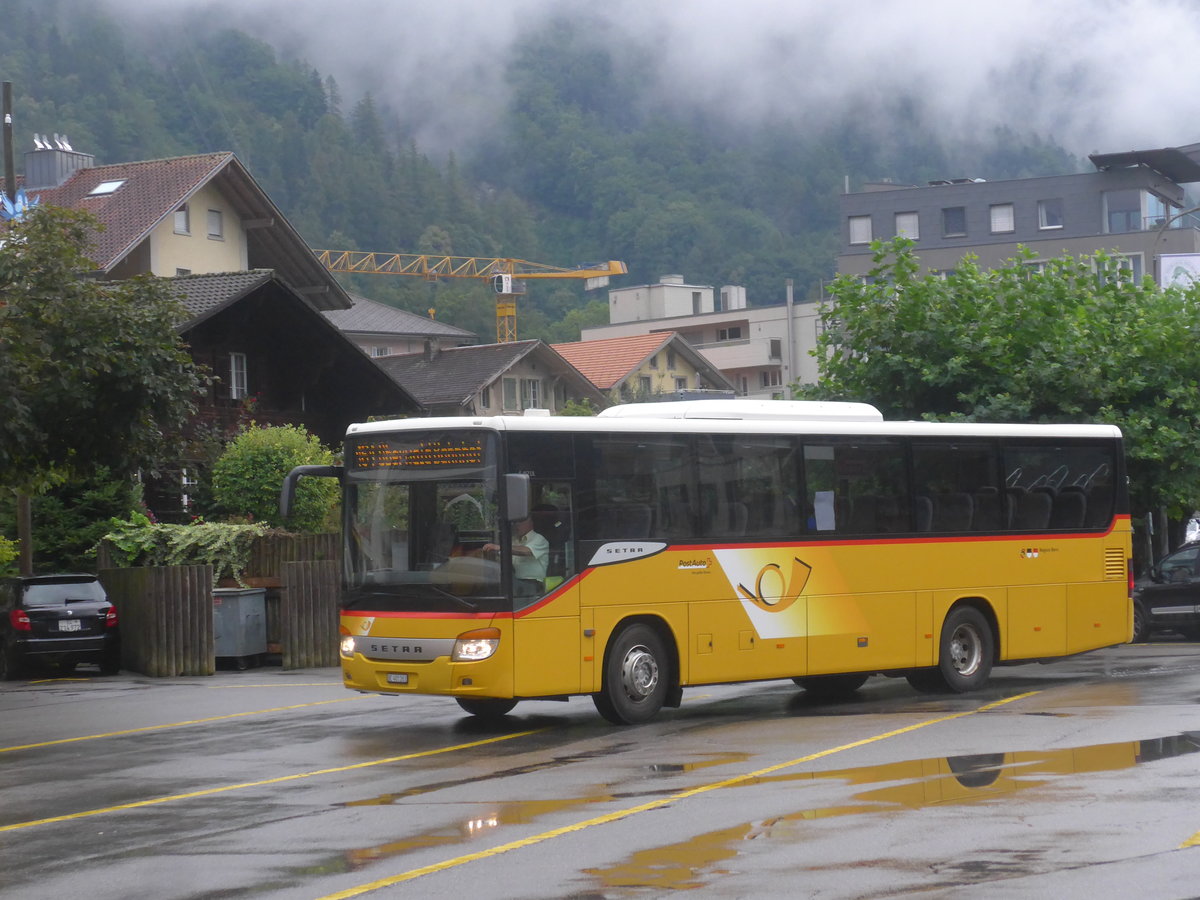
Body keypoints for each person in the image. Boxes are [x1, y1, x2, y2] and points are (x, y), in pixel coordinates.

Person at [483, 517, 549, 597]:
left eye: (521, 521)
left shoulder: (539, 539)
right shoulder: (514, 541)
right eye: (515, 522)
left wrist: (501, 547)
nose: (517, 524)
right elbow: (501, 557)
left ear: (531, 523)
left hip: (533, 585)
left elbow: (526, 551)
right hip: (515, 583)